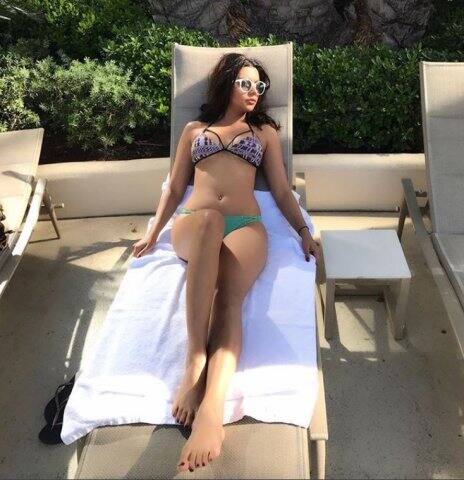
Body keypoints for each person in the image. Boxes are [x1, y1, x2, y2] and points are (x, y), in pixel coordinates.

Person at [132, 52, 320, 473]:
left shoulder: (264, 132)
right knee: (209, 219)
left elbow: (282, 191)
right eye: (245, 83)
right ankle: (194, 359)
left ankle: (213, 409)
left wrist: (303, 230)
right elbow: (174, 186)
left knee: (229, 300)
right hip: (194, 223)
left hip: (246, 225)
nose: (254, 92)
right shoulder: (194, 130)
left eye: (260, 86)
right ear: (227, 84)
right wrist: (152, 232)